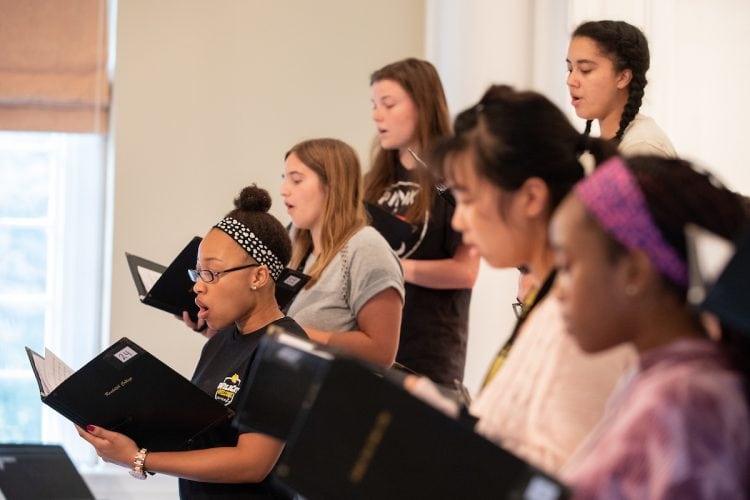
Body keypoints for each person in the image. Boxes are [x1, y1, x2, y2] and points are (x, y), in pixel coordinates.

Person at [408, 85, 634, 474]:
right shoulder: (549, 299)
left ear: (531, 197)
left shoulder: (583, 322)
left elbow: (557, 479)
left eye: (468, 198)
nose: (459, 220)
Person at [78, 185, 307, 499]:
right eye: (197, 273)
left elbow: (252, 463)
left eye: (211, 273)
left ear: (258, 277)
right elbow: (199, 438)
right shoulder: (219, 342)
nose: (198, 287)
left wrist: (139, 458)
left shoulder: (286, 348)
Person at [551, 155, 749, 498]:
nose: (558, 291)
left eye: (567, 266)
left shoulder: (686, 404)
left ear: (634, 272)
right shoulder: (659, 380)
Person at [367, 58, 479, 385]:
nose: (377, 115)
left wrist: (397, 268)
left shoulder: (453, 178)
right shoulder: (373, 181)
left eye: (388, 104)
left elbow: (466, 271)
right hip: (374, 345)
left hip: (429, 355)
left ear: (423, 105)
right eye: (374, 105)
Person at [281, 138, 405, 368]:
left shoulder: (366, 249)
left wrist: (286, 334)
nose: (283, 190)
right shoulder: (296, 243)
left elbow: (381, 352)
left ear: (331, 186)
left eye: (296, 180)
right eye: (284, 179)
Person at [566, 20, 676, 157]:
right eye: (570, 69)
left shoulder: (643, 147)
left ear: (623, 77)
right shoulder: (592, 153)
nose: (570, 81)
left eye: (585, 70)